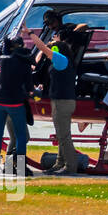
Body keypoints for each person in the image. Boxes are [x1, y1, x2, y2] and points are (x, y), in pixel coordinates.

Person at [24, 28, 80, 175]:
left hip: (63, 102)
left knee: (64, 136)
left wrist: (30, 34)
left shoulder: (62, 60)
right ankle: (59, 163)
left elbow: (42, 48)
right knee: (61, 134)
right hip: (59, 101)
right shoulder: (61, 62)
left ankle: (70, 167)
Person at [0, 36, 34, 177]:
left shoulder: (3, 60)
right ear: (22, 46)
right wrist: (36, 90)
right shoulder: (25, 62)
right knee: (21, 136)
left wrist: (4, 46)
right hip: (15, 102)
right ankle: (20, 167)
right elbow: (29, 87)